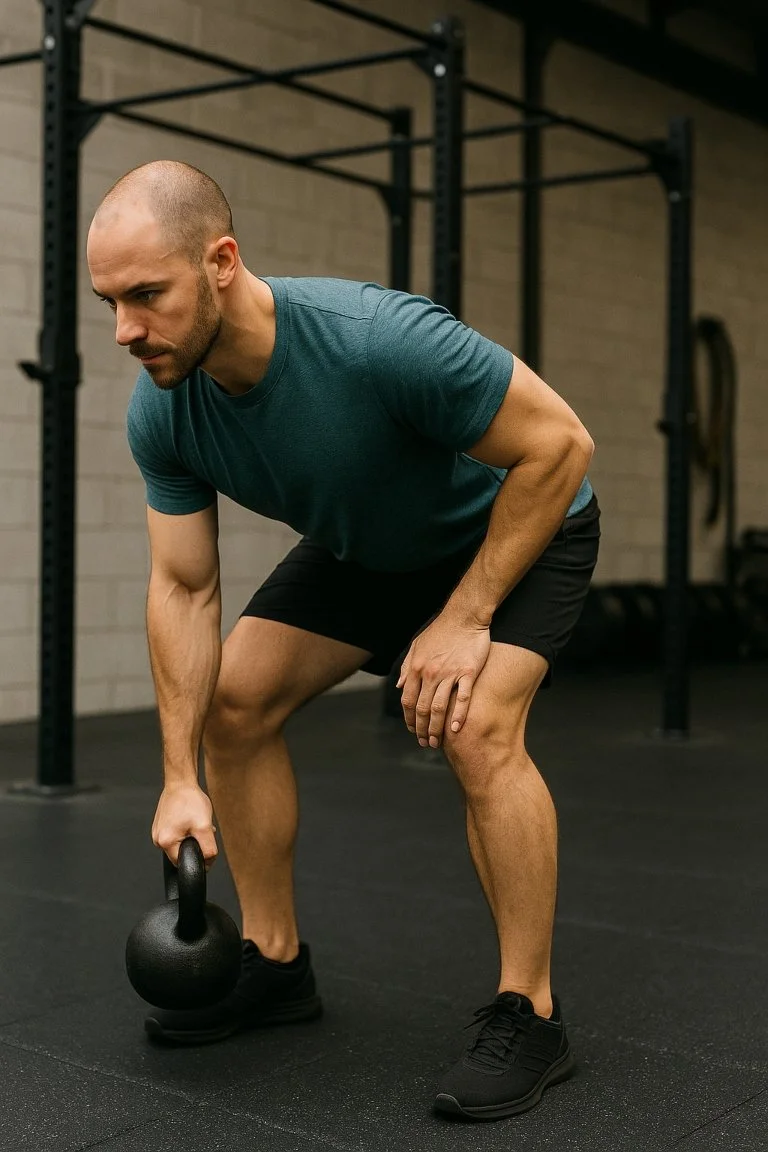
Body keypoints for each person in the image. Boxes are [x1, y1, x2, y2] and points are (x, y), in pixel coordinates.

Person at [87, 160, 599, 1122]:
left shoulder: (376, 339)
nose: (126, 330)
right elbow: (185, 585)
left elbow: (561, 446)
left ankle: (530, 1012)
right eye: (109, 303)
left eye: (147, 295)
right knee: (235, 703)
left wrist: (464, 617)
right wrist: (179, 775)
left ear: (222, 262)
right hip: (371, 552)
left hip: (516, 528)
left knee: (478, 728)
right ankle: (276, 964)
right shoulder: (165, 408)